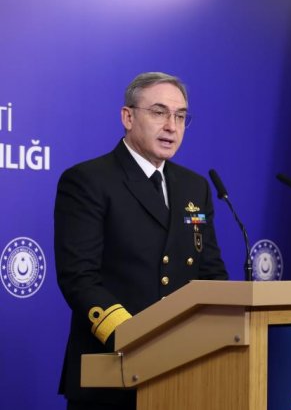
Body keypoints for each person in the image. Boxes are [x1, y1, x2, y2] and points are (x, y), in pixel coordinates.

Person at [54, 72, 229, 410]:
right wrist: (133, 337)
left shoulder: (194, 187)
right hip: (113, 370)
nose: (171, 126)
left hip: (184, 369)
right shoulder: (88, 180)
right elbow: (79, 278)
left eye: (180, 116)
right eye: (159, 112)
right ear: (128, 117)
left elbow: (210, 272)